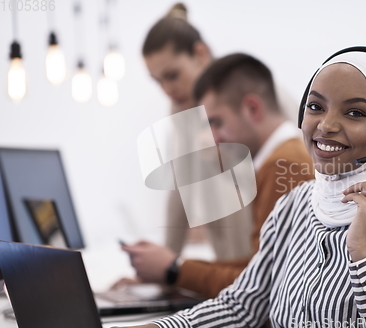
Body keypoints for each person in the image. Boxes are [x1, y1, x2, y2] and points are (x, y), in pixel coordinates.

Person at [107, 48, 366, 328]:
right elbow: (241, 307)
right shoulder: (296, 205)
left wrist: (364, 253)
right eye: (315, 107)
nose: (325, 126)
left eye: (355, 113)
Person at [122, 53, 314, 299]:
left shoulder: (283, 166)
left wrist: (174, 270)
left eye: (217, 122)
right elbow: (260, 269)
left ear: (252, 108)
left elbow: (262, 289)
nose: (214, 137)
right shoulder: (279, 160)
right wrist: (176, 266)